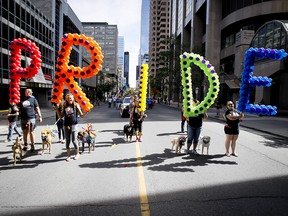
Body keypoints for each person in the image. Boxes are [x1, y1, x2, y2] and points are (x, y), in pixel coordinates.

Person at [55, 94, 88, 161]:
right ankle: (69, 156)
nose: (69, 99)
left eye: (70, 98)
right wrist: (57, 110)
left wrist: (86, 112)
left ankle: (77, 154)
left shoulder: (76, 105)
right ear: (66, 99)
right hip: (66, 125)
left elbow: (81, 115)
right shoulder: (64, 105)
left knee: (74, 140)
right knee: (67, 141)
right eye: (68, 98)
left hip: (74, 125)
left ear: (73, 98)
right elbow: (61, 116)